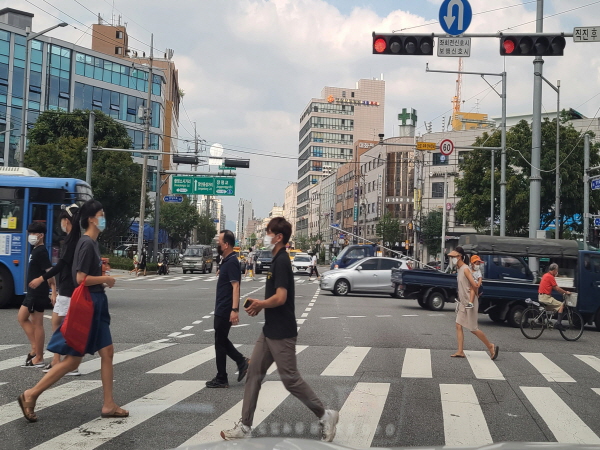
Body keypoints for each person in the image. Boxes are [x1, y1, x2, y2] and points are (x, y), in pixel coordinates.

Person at [220, 217, 338, 442]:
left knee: (290, 379)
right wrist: (260, 306)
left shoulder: (282, 260)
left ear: (279, 237)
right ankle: (244, 427)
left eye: (268, 232)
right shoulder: (276, 260)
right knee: (253, 373)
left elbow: (281, 297)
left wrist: (260, 304)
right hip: (270, 330)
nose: (266, 236)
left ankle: (326, 415)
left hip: (282, 332)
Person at [17, 199, 128, 423]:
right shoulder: (87, 243)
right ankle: (30, 394)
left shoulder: (90, 243)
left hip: (96, 303)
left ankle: (108, 404)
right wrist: (105, 278)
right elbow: (81, 278)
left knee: (107, 353)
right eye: (101, 214)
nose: (104, 218)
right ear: (91, 219)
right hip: (89, 304)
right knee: (72, 361)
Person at [28, 204, 81, 376]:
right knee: (59, 324)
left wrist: (42, 279)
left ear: (66, 221)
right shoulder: (72, 240)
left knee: (62, 325)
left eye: (62, 221)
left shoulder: (72, 241)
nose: (61, 225)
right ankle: (58, 360)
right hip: (67, 286)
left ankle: (70, 363)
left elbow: (61, 266)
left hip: (69, 287)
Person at [207, 230, 250, 388]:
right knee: (221, 340)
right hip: (222, 306)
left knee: (220, 341)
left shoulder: (232, 261)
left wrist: (234, 309)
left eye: (219, 242)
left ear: (226, 244)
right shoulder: (226, 260)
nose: (218, 244)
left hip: (226, 308)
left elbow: (236, 286)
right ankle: (240, 363)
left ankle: (223, 376)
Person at [449, 247, 499, 361]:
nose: (451, 259)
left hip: (469, 302)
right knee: (458, 325)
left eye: (453, 257)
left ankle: (490, 346)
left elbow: (475, 284)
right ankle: (460, 351)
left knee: (473, 328)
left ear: (459, 257)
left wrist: (473, 294)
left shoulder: (466, 269)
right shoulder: (460, 269)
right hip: (463, 302)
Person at [19, 222, 56, 368]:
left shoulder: (41, 251)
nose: (30, 236)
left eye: (33, 234)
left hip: (38, 292)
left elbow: (50, 272)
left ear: (41, 235)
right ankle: (35, 348)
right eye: (29, 233)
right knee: (22, 317)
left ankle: (39, 356)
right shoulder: (35, 249)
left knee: (37, 323)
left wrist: (53, 290)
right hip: (33, 292)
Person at [538, 263, 571, 331]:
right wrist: (565, 292)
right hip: (546, 298)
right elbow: (557, 288)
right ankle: (558, 323)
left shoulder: (545, 275)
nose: (557, 272)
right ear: (554, 270)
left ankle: (542, 317)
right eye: (557, 270)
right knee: (561, 305)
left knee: (552, 308)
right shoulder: (550, 277)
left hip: (541, 296)